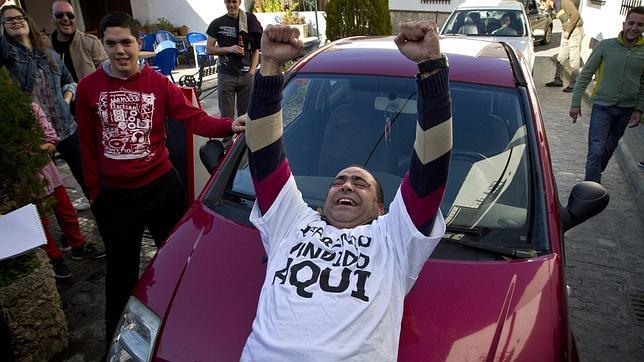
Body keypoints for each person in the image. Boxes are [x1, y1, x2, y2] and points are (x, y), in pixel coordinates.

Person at [240, 21, 451, 360]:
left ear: (381, 208)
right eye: (338, 181)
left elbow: (432, 164)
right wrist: (269, 65)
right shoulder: (291, 223)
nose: (346, 185)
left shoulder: (395, 239)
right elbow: (264, 154)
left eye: (360, 183)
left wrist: (431, 69)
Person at [75, 12, 246, 343]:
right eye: (111, 44)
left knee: (178, 262)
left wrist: (229, 125)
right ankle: (116, 341)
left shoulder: (158, 85)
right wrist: (96, 195)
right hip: (116, 199)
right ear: (104, 46)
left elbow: (192, 118)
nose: (120, 51)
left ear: (139, 44)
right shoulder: (88, 89)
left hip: (161, 190)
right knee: (120, 275)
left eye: (126, 42)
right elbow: (87, 145)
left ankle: (189, 329)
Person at [0, 5, 86, 209]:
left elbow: (70, 81)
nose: (15, 22)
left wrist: (65, 100)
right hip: (35, 135)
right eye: (9, 20)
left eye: (19, 17)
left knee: (86, 176)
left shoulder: (49, 53)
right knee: (47, 189)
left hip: (65, 126)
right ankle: (65, 233)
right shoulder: (5, 57)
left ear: (28, 21)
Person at [569, 6, 644, 183]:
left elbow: (643, 83)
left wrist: (639, 109)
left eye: (640, 25)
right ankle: (590, 188)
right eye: (631, 23)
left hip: (626, 110)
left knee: (609, 147)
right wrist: (575, 102)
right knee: (596, 148)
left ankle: (595, 171)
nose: (634, 28)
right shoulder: (606, 46)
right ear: (624, 24)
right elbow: (586, 74)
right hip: (602, 108)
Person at [48, 0, 107, 212]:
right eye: (60, 15)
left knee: (99, 151)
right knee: (78, 158)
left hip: (90, 108)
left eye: (70, 15)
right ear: (52, 18)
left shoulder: (90, 42)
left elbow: (105, 73)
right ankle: (90, 194)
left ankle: (106, 193)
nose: (66, 19)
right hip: (60, 113)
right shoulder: (45, 46)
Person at [33, 102, 103, 279]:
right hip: (25, 182)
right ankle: (54, 259)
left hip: (48, 173)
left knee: (67, 211)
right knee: (39, 222)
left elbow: (52, 139)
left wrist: (35, 150)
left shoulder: (31, 108)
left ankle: (78, 246)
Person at [206, 0, 262, 124]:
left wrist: (252, 72)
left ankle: (243, 142)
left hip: (246, 75)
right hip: (226, 75)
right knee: (226, 117)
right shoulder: (217, 23)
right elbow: (209, 49)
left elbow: (255, 49)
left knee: (246, 116)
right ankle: (228, 143)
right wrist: (229, 49)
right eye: (228, 1)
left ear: (240, 2)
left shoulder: (250, 21)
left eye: (234, 1)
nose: (231, 5)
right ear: (225, 2)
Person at [544, 0, 583, 92]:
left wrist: (568, 31)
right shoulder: (555, 6)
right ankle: (558, 80)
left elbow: (575, 15)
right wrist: (548, 11)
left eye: (543, 3)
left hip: (575, 31)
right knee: (560, 58)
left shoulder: (564, 2)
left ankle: (574, 85)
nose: (542, 5)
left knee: (574, 60)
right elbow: (557, 17)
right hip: (567, 32)